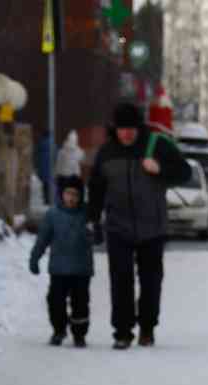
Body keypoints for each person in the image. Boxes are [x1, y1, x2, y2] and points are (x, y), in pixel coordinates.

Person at [86, 102, 191, 349]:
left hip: (152, 226)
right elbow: (96, 188)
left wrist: (160, 168)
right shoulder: (107, 152)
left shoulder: (157, 145)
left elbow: (184, 172)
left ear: (138, 127)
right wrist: (93, 219)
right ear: (115, 128)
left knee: (151, 281)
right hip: (118, 226)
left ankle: (147, 328)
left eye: (131, 128)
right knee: (120, 280)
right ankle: (122, 331)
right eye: (122, 128)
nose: (126, 133)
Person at [29, 176, 94, 347]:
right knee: (55, 301)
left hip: (81, 269)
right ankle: (59, 330)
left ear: (81, 196)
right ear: (61, 194)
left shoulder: (87, 214)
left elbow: (97, 238)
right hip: (59, 269)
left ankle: (79, 334)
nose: (71, 198)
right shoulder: (53, 215)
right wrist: (35, 258)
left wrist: (94, 232)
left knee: (81, 304)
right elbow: (43, 239)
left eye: (75, 194)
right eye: (68, 193)